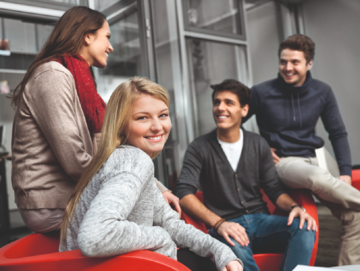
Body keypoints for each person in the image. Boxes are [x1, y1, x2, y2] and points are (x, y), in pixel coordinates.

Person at [11, 6, 179, 234]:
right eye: (107, 37)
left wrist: (158, 188)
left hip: (73, 194)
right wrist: (151, 190)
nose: (111, 46)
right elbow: (75, 161)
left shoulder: (82, 82)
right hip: (53, 203)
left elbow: (112, 151)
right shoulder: (52, 75)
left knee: (161, 213)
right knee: (159, 221)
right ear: (87, 36)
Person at [60, 76, 243, 271]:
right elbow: (95, 236)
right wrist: (160, 236)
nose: (157, 126)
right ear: (122, 125)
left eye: (163, 115)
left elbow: (171, 224)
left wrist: (220, 251)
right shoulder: (133, 162)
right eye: (142, 117)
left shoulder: (130, 159)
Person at [242, 34, 360, 265]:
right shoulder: (261, 92)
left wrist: (345, 171)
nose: (288, 68)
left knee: (355, 217)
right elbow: (233, 122)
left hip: (317, 156)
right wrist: (261, 146)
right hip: (285, 161)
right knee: (317, 176)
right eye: (283, 61)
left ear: (309, 63)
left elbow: (337, 133)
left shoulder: (322, 91)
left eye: (295, 62)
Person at [175, 79, 316, 271]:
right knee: (236, 250)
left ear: (244, 110)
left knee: (304, 227)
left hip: (261, 221)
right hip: (226, 224)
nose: (220, 108)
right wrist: (219, 223)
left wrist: (295, 206)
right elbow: (184, 194)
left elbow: (273, 188)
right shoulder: (199, 147)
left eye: (228, 102)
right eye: (217, 102)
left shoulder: (258, 144)